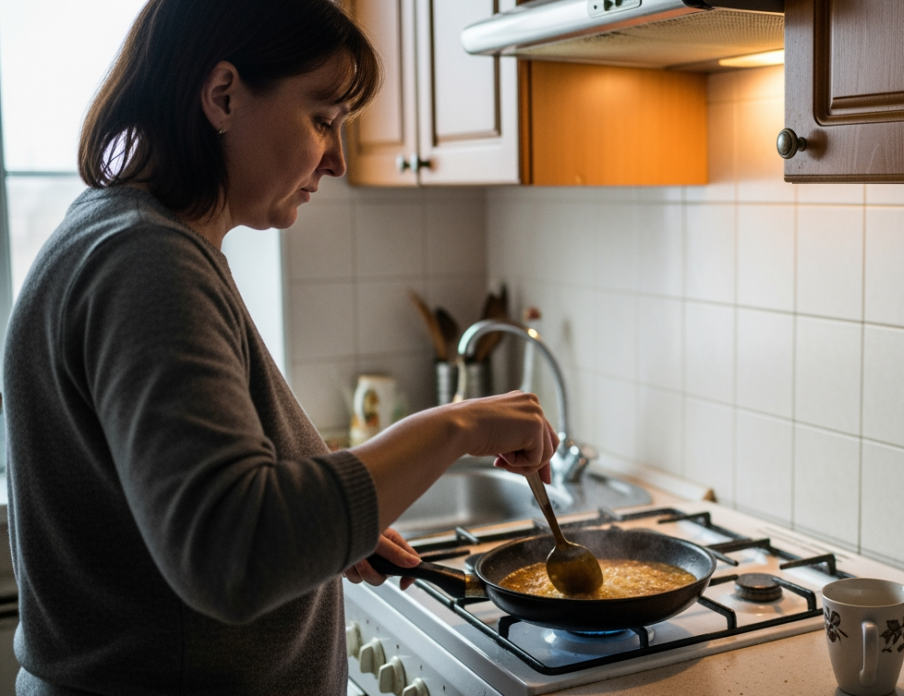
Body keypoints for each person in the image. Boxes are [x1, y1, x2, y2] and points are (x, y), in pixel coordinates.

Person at [1, 1, 557, 693]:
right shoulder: (148, 260)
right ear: (223, 95)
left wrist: (331, 531)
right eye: (323, 120)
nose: (338, 158)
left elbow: (203, 505)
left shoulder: (127, 234)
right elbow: (235, 554)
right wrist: (458, 425)